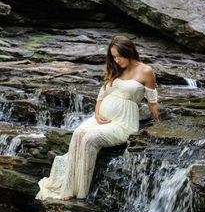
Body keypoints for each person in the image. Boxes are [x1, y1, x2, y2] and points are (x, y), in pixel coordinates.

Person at [36, 35, 160, 201]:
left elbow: (152, 102)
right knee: (78, 133)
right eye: (114, 56)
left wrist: (157, 124)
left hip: (123, 122)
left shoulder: (146, 71)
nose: (117, 60)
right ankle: (69, 187)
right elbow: (101, 96)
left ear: (129, 51)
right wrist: (97, 114)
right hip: (102, 118)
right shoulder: (115, 69)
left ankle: (81, 193)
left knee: (90, 139)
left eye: (120, 56)